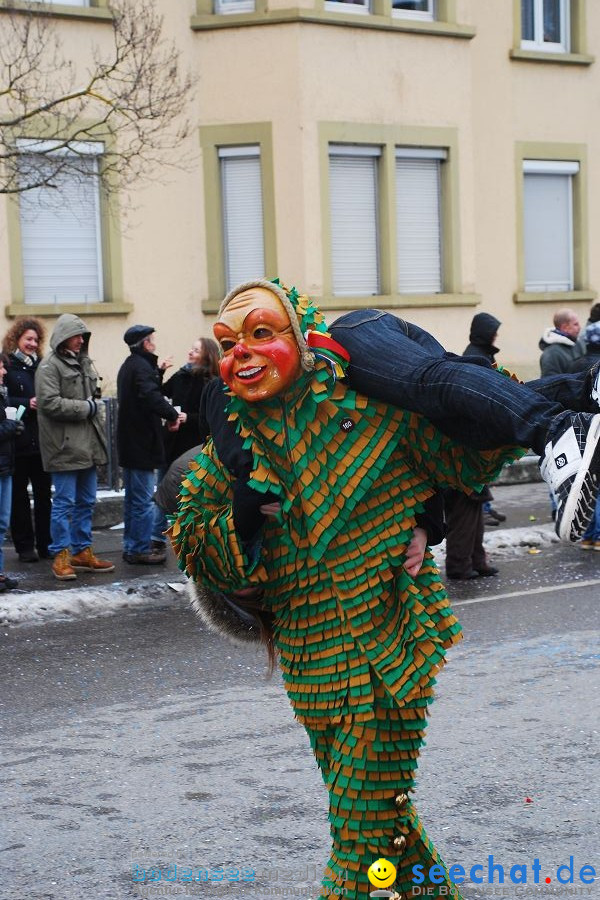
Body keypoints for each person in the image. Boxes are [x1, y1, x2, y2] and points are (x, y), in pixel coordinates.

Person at [171, 278, 527, 900]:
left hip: (390, 644)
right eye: (228, 344)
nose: (243, 354)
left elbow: (460, 459)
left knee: (357, 829)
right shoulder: (222, 455)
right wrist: (244, 516)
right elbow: (204, 557)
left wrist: (497, 407)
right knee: (373, 807)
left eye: (262, 333)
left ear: (302, 339)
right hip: (309, 659)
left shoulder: (368, 415)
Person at [35, 314, 114, 580]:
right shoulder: (49, 367)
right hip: (64, 447)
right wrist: (88, 408)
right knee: (64, 503)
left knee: (86, 502)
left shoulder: (83, 363)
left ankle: (82, 551)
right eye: (78, 335)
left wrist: (94, 408)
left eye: (83, 336)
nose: (82, 340)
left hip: (87, 447)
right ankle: (61, 555)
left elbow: (94, 396)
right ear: (64, 336)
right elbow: (49, 403)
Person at [117, 325, 181, 565]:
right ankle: (140, 548)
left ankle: (132, 546)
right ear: (145, 343)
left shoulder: (130, 365)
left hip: (131, 443)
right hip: (142, 443)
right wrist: (172, 414)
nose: (154, 343)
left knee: (133, 499)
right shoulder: (141, 368)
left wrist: (159, 371)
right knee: (143, 500)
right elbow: (151, 395)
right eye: (151, 340)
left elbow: (146, 390)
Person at [151, 337, 219, 552]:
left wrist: (186, 418)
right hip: (170, 442)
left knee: (190, 495)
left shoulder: (211, 382)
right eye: (191, 348)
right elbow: (160, 394)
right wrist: (159, 371)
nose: (190, 352)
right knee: (162, 489)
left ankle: (187, 536)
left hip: (192, 446)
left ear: (207, 354)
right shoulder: (181, 376)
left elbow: (209, 417)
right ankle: (156, 535)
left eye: (196, 350)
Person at [3, 317, 52, 562]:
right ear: (17, 339)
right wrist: (27, 403)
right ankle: (25, 547)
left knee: (44, 496)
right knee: (19, 498)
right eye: (28, 339)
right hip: (19, 442)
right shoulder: (8, 367)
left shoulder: (41, 366)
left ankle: (47, 544)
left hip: (42, 443)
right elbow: (5, 400)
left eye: (36, 340)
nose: (32, 344)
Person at [462, 312, 506, 528]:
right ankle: (484, 510)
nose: (496, 335)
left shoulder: (484, 353)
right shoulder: (475, 355)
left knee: (486, 471)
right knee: (480, 471)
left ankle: (486, 509)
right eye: (493, 331)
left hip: (484, 419)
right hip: (478, 421)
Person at [572, 321, 600, 550]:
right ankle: (597, 535)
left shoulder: (577, 363)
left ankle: (588, 534)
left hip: (581, 429)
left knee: (587, 484)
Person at [0, 353, 25, 592]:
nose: (4, 372)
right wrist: (9, 426)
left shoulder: (2, 394)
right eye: (0, 367)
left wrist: (14, 426)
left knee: (1, 522)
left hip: (6, 465)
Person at [539, 308, 583, 375]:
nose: (580, 327)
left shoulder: (577, 344)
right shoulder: (551, 354)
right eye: (575, 324)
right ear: (565, 327)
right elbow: (550, 382)